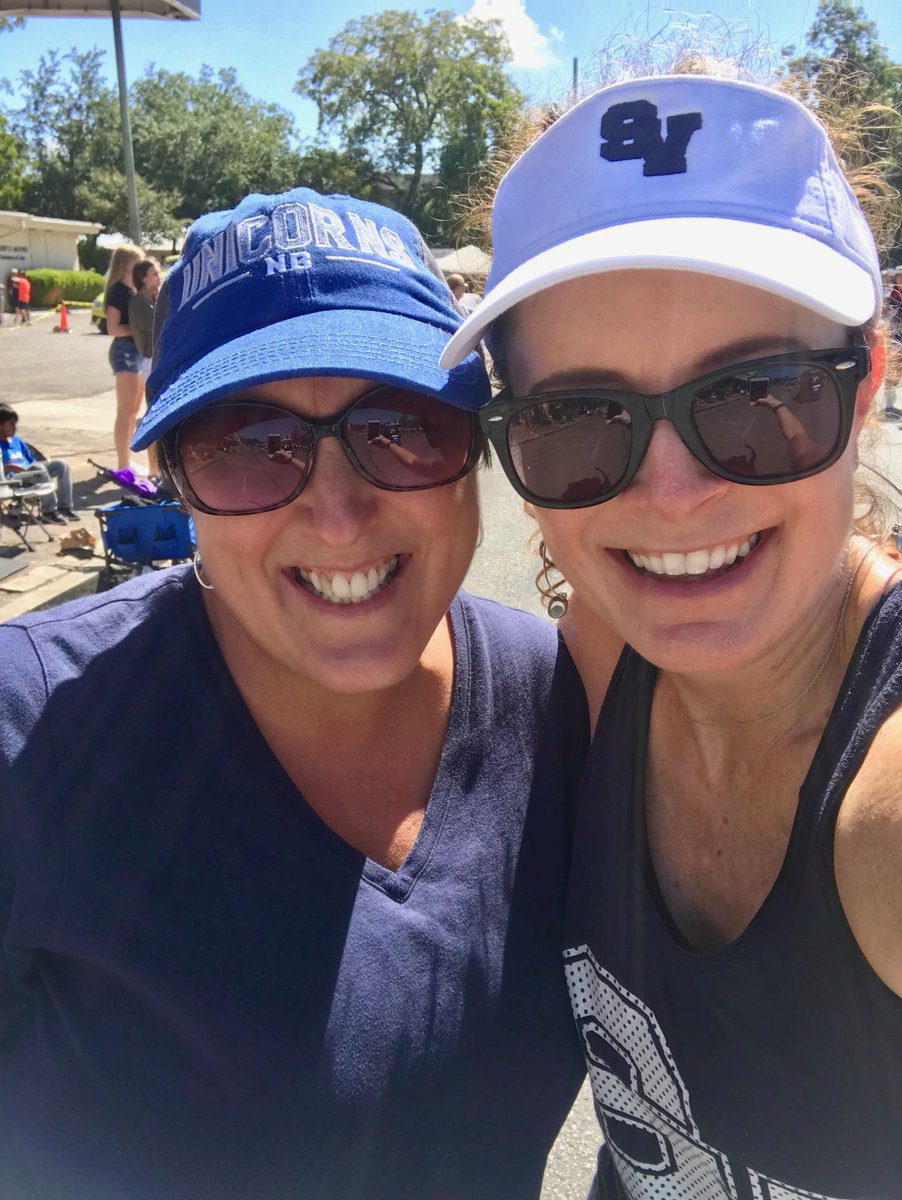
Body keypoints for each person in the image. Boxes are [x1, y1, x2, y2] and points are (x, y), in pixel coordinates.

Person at [0, 187, 587, 1200]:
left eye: (400, 428)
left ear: (476, 454)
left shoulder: (564, 703)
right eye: (246, 442)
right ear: (175, 479)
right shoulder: (30, 731)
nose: (339, 512)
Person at [441, 72, 902, 1197]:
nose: (670, 492)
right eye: (576, 420)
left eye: (756, 396)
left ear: (867, 385)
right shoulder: (605, 660)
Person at [104, 244, 145, 471]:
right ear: (126, 265)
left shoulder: (130, 290)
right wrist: (138, 329)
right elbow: (113, 327)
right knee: (126, 410)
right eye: (137, 262)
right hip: (125, 352)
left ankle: (126, 461)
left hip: (135, 351)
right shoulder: (118, 291)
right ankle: (122, 465)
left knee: (132, 410)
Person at [0, 403, 79, 522]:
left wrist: (43, 463)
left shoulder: (17, 441)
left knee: (61, 465)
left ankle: (64, 507)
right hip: (14, 480)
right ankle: (49, 511)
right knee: (37, 468)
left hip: (32, 472)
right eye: (11, 423)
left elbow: (32, 461)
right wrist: (10, 468)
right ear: (0, 425)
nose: (15, 427)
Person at [128, 258, 161, 377]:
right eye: (154, 274)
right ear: (143, 279)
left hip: (158, 358)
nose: (159, 277)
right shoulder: (139, 303)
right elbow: (160, 324)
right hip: (151, 361)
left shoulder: (151, 300)